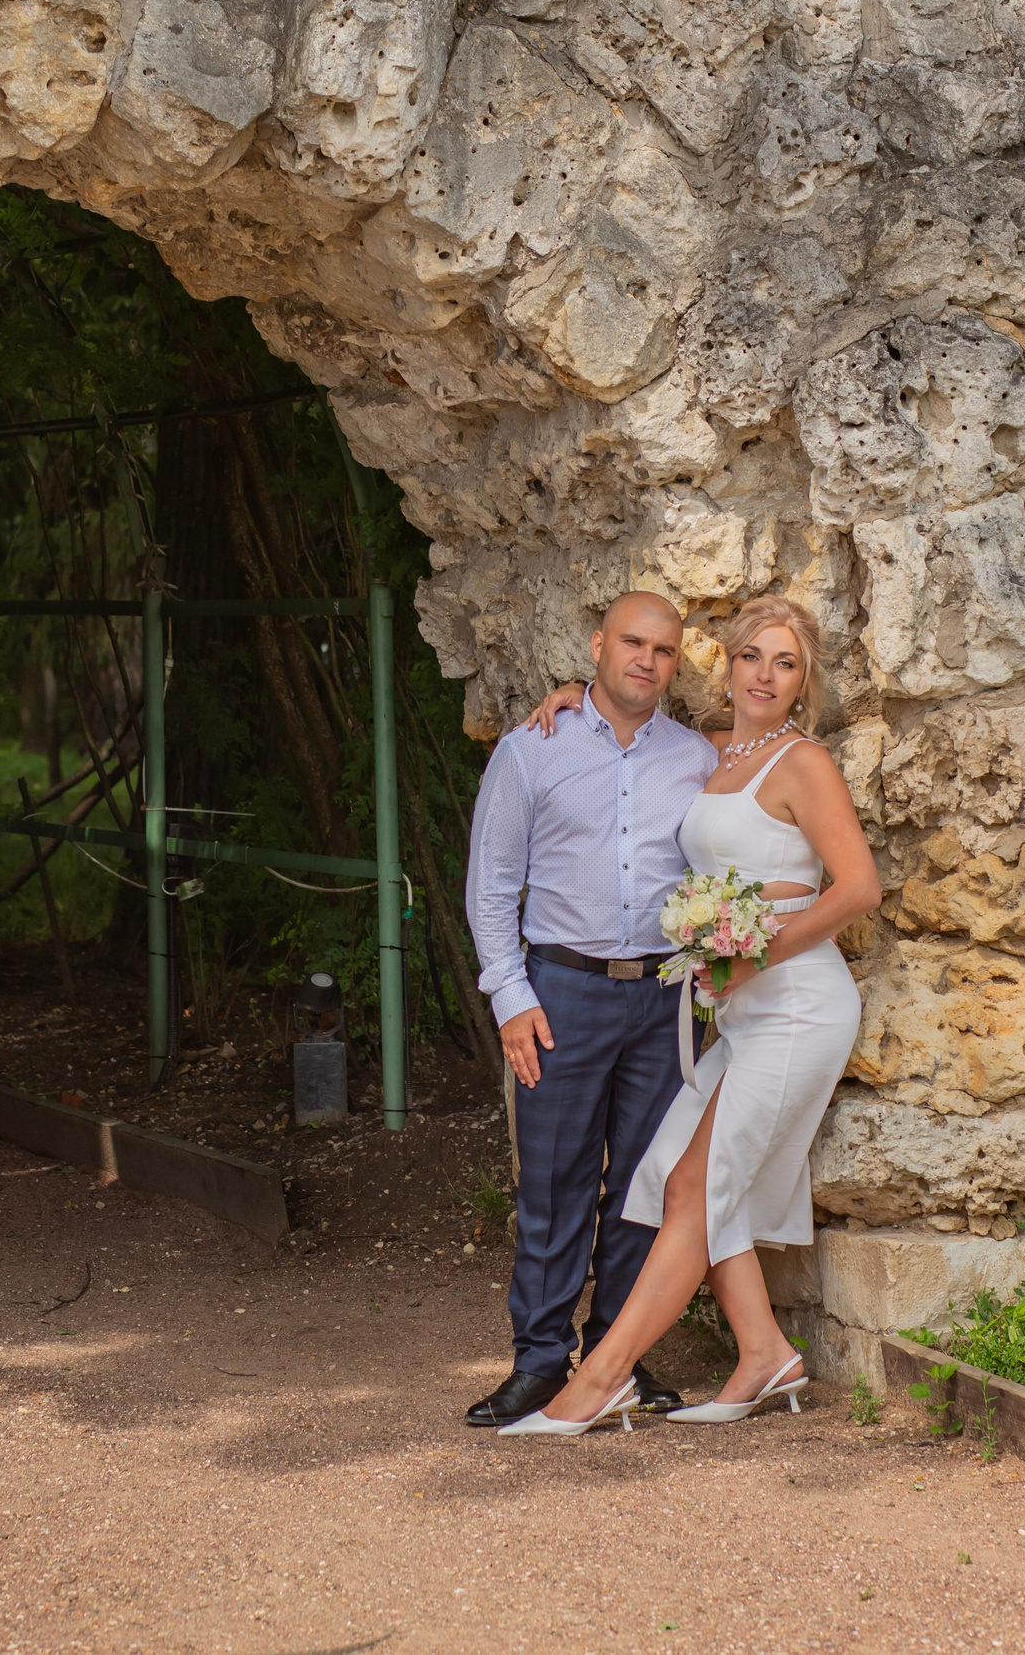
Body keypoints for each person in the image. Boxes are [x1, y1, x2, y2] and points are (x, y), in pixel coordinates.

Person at [497, 594, 881, 1435]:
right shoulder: (707, 750)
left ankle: (601, 1379)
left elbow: (859, 888)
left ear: (804, 681)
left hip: (797, 1004)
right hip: (738, 1014)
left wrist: (754, 957)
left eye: (786, 663)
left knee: (697, 1190)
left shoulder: (804, 762)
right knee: (679, 1180)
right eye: (752, 657)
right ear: (728, 665)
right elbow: (626, 732)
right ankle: (764, 1352)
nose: (765, 676)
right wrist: (574, 696)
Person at [460, 591, 719, 1428]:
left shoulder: (695, 759)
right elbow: (491, 886)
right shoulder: (531, 751)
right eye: (633, 643)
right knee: (554, 1181)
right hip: (561, 993)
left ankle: (617, 1358)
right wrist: (511, 998)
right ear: (599, 646)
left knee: (645, 1183)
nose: (647, 660)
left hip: (666, 995)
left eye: (664, 651)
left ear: (675, 665)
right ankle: (539, 1364)